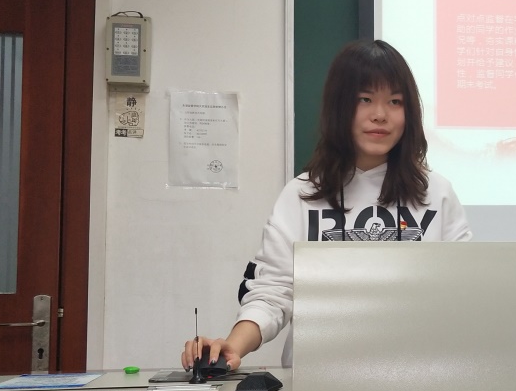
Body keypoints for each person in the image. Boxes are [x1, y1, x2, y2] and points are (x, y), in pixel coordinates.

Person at [182, 39, 472, 372]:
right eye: (365, 99)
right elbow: (273, 292)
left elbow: (463, 291)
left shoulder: (436, 194)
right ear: (339, 107)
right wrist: (232, 347)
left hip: (419, 377)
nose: (380, 115)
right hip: (319, 380)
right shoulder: (303, 194)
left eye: (395, 101)